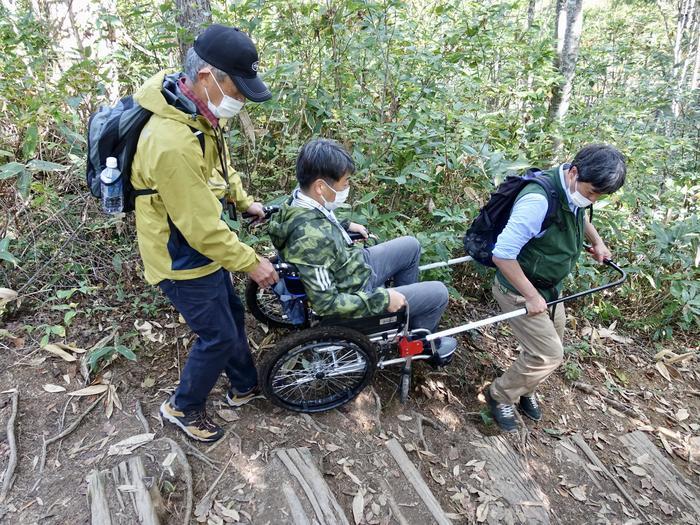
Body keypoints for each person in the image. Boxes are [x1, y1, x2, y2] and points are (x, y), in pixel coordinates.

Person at [130, 24, 278, 442]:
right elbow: (197, 226)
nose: (241, 100)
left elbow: (217, 166)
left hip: (204, 252)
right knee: (216, 336)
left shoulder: (195, 109)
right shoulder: (171, 140)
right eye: (238, 88)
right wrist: (251, 262)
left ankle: (245, 386)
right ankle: (183, 407)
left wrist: (243, 199)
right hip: (180, 258)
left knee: (230, 317)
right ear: (208, 77)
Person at [268, 138, 458, 361]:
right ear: (320, 186)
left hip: (349, 265)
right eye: (345, 182)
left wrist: (345, 225)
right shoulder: (312, 241)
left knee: (411, 245)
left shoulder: (298, 199)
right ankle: (419, 344)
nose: (348, 187)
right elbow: (326, 303)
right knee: (439, 293)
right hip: (354, 291)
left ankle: (403, 321)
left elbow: (319, 220)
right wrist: (383, 299)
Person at [485, 144, 626, 432]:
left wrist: (596, 241)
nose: (593, 199)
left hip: (550, 289)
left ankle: (526, 389)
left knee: (554, 344)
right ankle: (499, 395)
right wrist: (531, 296)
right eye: (591, 193)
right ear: (574, 172)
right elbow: (502, 255)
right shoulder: (538, 200)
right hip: (519, 290)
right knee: (547, 354)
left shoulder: (572, 189)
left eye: (600, 195)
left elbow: (579, 213)